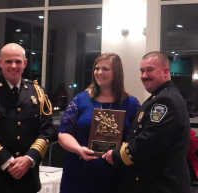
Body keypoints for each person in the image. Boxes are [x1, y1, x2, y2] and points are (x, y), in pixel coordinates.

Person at [0, 43, 53, 193]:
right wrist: (8, 162)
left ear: (25, 63)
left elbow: (46, 131)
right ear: (0, 62)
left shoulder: (37, 92)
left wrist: (29, 159)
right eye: (8, 61)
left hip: (27, 179)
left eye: (18, 61)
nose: (13, 66)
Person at [103, 51, 191, 193]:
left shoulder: (164, 102)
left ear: (165, 72)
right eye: (142, 71)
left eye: (150, 70)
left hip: (160, 185)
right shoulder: (160, 97)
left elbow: (148, 142)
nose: (144, 76)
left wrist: (116, 155)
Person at [58, 53, 141, 193]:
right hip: (80, 173)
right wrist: (78, 149)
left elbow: (138, 138)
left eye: (106, 69)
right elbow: (64, 133)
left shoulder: (131, 103)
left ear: (117, 72)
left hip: (117, 175)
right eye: (97, 68)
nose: (99, 72)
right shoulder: (81, 99)